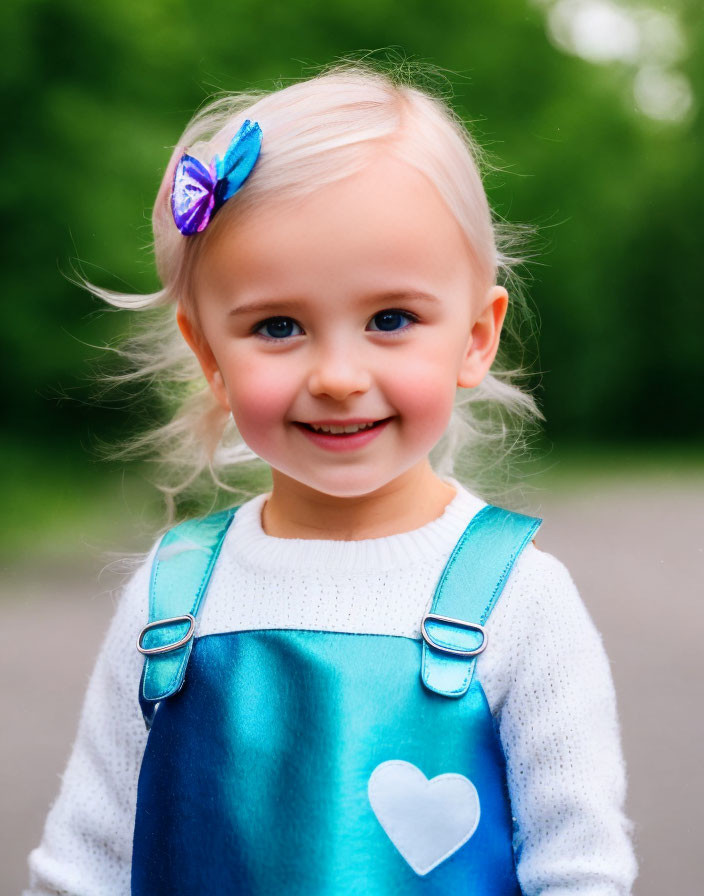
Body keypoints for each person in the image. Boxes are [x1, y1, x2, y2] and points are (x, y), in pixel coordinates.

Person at [25, 61, 637, 894]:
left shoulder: (521, 600)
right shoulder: (174, 598)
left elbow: (581, 868)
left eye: (391, 319)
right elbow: (87, 859)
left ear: (475, 336)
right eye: (279, 326)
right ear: (209, 354)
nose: (339, 376)